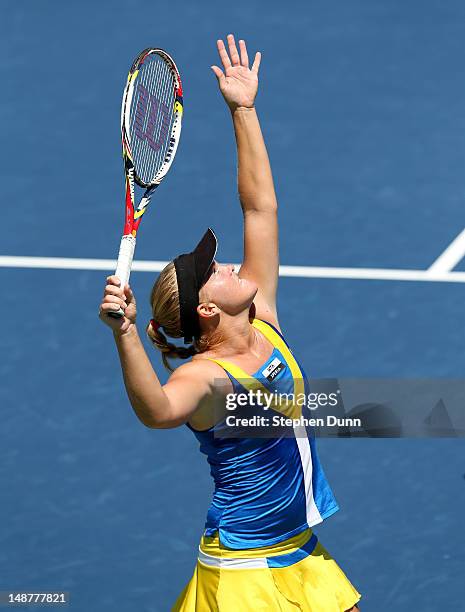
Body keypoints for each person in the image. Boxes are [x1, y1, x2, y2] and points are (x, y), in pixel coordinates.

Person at [99, 34, 361, 612]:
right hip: (243, 570)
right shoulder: (205, 380)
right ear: (208, 309)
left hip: (300, 551)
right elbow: (158, 411)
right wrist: (123, 333)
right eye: (212, 270)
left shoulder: (263, 317)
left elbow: (259, 207)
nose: (227, 262)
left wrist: (243, 110)